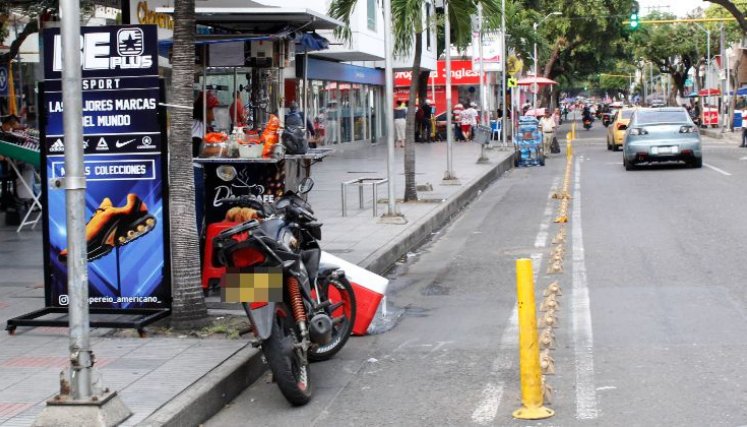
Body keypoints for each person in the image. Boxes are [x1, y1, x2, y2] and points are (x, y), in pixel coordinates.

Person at [192, 91, 220, 158]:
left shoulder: (205, 125)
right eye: (212, 110)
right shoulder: (197, 126)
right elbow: (196, 150)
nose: (214, 116)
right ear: (205, 110)